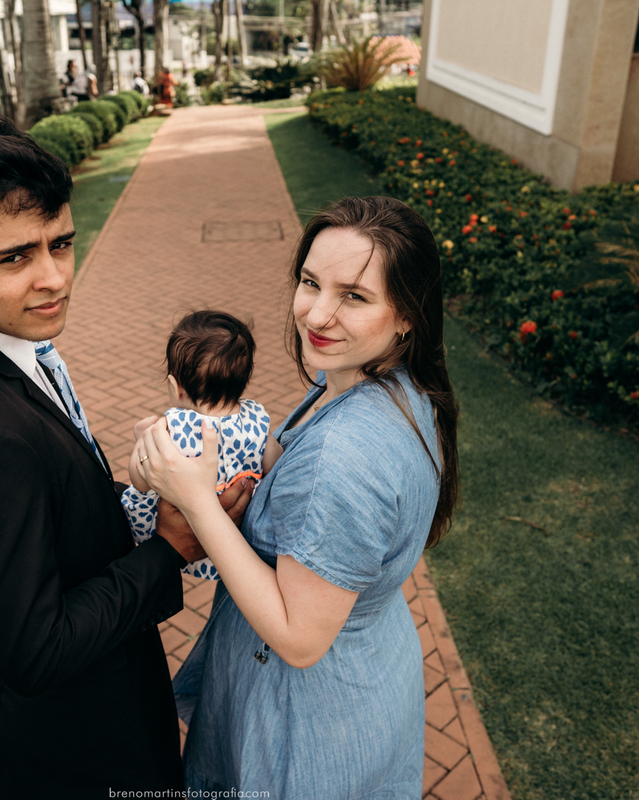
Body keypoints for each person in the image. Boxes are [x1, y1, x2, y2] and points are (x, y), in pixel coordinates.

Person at [0, 115, 253, 800]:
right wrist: (169, 548)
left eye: (62, 243)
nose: (54, 278)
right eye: (15, 258)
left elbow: (34, 498)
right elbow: (35, 651)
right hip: (78, 736)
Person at [134, 196, 461, 798]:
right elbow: (290, 477)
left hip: (303, 724)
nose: (317, 313)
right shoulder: (380, 384)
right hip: (368, 675)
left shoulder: (345, 455)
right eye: (310, 282)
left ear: (407, 315)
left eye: (354, 296)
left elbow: (298, 638)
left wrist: (196, 503)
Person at [122, 311, 273, 581]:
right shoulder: (256, 420)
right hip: (234, 537)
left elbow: (141, 481)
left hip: (181, 528)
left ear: (175, 387)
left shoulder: (173, 427)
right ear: (243, 382)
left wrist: (141, 438)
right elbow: (275, 466)